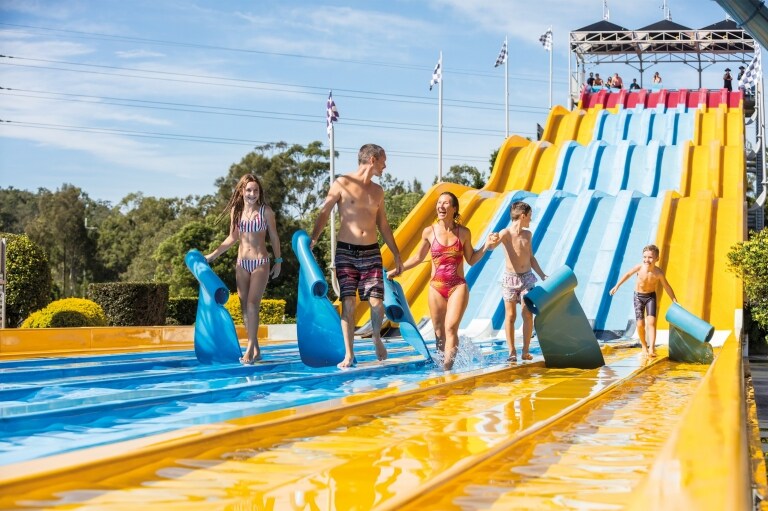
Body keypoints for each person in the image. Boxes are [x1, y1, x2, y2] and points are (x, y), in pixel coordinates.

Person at [310, 143, 403, 368]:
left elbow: (383, 224)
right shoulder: (342, 183)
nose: (385, 165)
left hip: (371, 251)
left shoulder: (378, 191)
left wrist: (397, 254)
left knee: (377, 302)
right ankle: (349, 354)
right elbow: (324, 211)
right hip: (346, 252)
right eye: (383, 160)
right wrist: (313, 238)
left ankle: (376, 337)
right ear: (372, 159)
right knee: (348, 302)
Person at [388, 192, 495, 370]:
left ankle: (447, 369)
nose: (441, 206)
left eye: (446, 203)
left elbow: (471, 259)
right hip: (436, 287)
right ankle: (442, 367)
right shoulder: (429, 232)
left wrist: (486, 247)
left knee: (451, 327)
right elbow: (417, 257)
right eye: (439, 203)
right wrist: (397, 270)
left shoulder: (464, 233)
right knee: (439, 333)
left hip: (457, 286)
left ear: (454, 209)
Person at [206, 174, 282, 364]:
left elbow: (274, 237)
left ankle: (248, 350)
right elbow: (232, 238)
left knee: (252, 304)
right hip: (242, 263)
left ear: (259, 192)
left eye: (256, 190)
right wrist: (213, 255)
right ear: (242, 191)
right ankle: (256, 349)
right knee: (243, 307)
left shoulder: (266, 212)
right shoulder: (236, 212)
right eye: (248, 190)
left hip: (260, 262)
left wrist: (279, 261)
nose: (252, 194)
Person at [489, 201, 547, 363]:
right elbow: (493, 246)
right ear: (523, 216)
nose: (530, 219)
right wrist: (492, 240)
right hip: (510, 279)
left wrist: (542, 275)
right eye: (529, 216)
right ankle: (512, 351)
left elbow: (531, 257)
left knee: (527, 313)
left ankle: (525, 351)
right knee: (510, 315)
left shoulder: (528, 235)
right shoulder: (505, 233)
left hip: (527, 278)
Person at [609, 244, 677, 358]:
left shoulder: (658, 273)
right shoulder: (639, 268)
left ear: (657, 259)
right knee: (640, 324)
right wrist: (617, 286)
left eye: (650, 257)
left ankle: (651, 348)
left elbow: (666, 286)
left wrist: (674, 299)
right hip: (638, 297)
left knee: (651, 322)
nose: (647, 260)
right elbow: (627, 274)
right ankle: (644, 346)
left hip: (651, 297)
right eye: (645, 257)